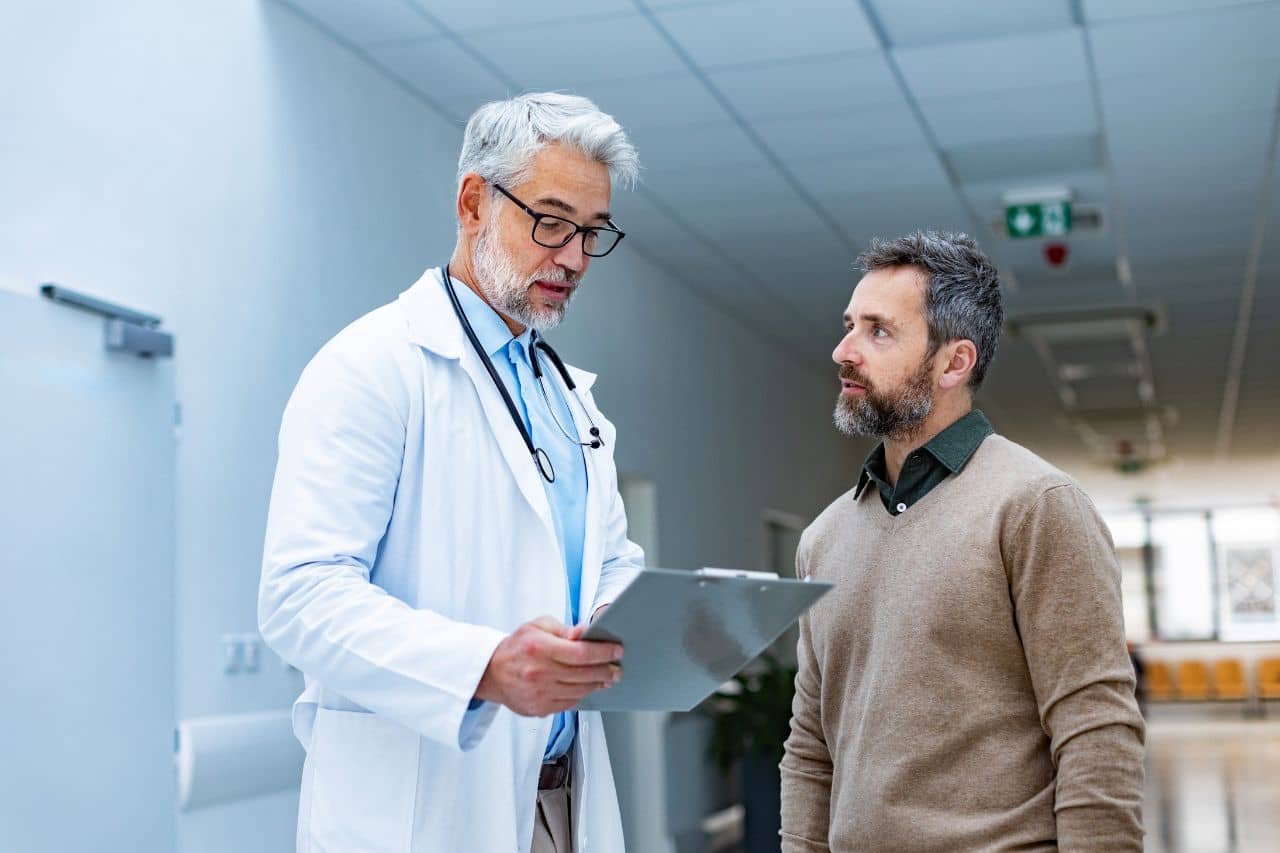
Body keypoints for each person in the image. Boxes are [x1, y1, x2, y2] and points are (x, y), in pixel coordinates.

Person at [259, 93, 644, 853]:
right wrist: (486, 666)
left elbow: (605, 564)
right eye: (552, 222)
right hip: (426, 811)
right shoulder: (373, 367)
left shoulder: (571, 403)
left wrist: (651, 619)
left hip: (563, 800)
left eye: (591, 234)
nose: (571, 258)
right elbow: (299, 595)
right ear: (474, 202)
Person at [780, 232, 1145, 851]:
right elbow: (811, 745)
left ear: (954, 363)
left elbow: (1095, 727)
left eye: (879, 331)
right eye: (849, 326)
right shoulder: (824, 537)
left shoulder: (1036, 507)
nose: (844, 350)